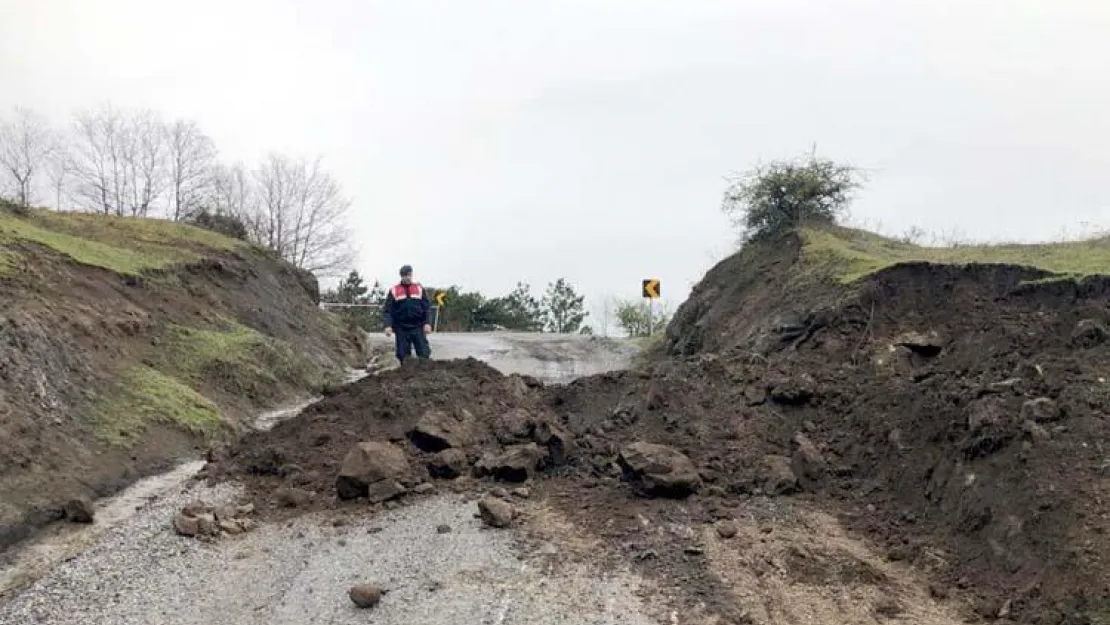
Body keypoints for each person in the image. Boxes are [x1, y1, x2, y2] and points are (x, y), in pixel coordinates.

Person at [382, 264, 432, 363]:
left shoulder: (419, 289)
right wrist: (388, 325)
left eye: (409, 275)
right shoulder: (394, 290)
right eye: (405, 275)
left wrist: (427, 323)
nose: (408, 277)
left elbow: (427, 308)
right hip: (401, 328)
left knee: (424, 353)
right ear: (401, 276)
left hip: (418, 326)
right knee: (403, 355)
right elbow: (388, 311)